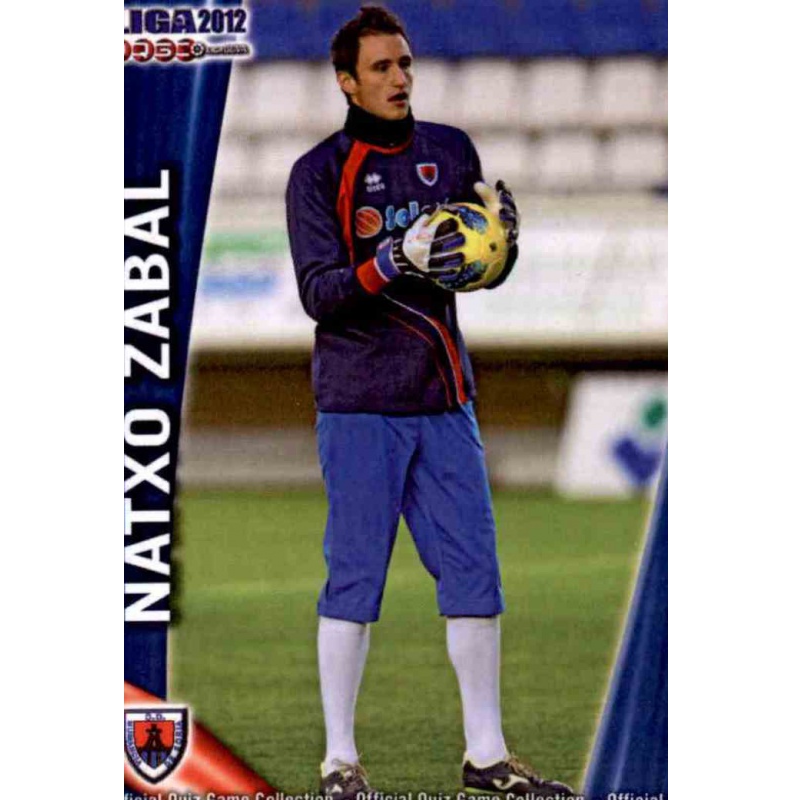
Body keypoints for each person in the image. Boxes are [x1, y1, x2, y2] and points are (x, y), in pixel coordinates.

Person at [286, 6, 574, 798]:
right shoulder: (318, 173)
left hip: (446, 399)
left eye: (405, 63)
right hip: (358, 403)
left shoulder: (451, 152)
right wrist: (391, 258)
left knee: (475, 578)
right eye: (381, 67)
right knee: (354, 580)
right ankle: (339, 763)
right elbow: (320, 295)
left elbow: (468, 272)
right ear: (346, 82)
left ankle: (488, 756)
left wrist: (499, 252)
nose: (399, 77)